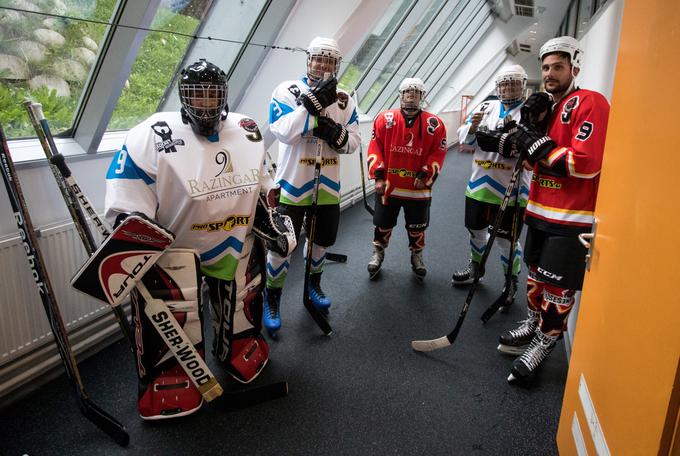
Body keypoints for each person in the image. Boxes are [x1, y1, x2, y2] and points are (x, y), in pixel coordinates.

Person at [104, 59, 295, 418]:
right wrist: (134, 247)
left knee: (243, 302)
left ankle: (239, 347)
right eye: (196, 94)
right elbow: (126, 205)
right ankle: (171, 374)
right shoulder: (149, 134)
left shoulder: (249, 129)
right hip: (175, 249)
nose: (205, 103)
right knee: (177, 312)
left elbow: (263, 188)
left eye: (212, 95)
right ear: (182, 95)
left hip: (234, 242)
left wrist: (272, 223)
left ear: (224, 95)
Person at [495, 36, 610, 382]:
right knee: (534, 278)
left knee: (558, 289)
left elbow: (586, 163)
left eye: (557, 67)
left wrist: (538, 145)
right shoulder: (547, 108)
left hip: (571, 218)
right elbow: (535, 164)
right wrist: (525, 138)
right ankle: (532, 324)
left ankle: (546, 341)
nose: (550, 74)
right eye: (545, 67)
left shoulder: (590, 103)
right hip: (539, 209)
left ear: (574, 67)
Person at [264, 37, 360, 334]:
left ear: (336, 65)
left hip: (328, 186)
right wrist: (309, 107)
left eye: (329, 60)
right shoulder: (287, 90)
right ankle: (273, 298)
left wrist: (335, 133)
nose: (322, 64)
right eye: (318, 58)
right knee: (282, 246)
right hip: (293, 185)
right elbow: (281, 131)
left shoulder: (345, 98)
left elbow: (354, 142)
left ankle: (314, 287)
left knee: (321, 241)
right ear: (308, 60)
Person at [451, 65, 532, 311]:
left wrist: (511, 139)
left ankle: (510, 281)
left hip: (512, 188)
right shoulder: (485, 107)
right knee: (476, 231)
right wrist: (474, 129)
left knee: (506, 240)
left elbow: (531, 148)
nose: (508, 88)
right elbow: (465, 139)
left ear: (523, 85)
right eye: (504, 84)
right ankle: (477, 268)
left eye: (514, 83)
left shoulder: (529, 112)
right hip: (479, 184)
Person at [365, 77, 447, 282]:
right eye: (408, 92)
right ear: (400, 95)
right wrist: (379, 176)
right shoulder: (384, 118)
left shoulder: (434, 124)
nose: (412, 95)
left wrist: (426, 174)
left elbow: (439, 151)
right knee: (383, 224)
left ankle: (417, 255)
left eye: (416, 92)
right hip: (389, 187)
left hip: (417, 189)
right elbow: (375, 148)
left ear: (422, 97)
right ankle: (378, 252)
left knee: (417, 226)